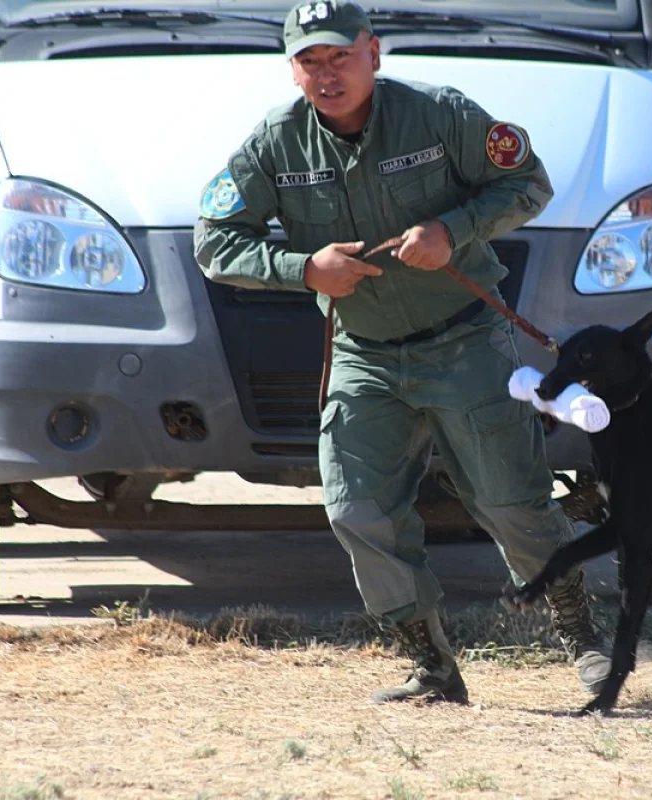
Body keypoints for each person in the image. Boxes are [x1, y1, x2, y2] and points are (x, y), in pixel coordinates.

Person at [193, 0, 610, 705]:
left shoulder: (439, 113)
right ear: (292, 69)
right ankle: (432, 666)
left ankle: (583, 634)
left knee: (511, 503)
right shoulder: (276, 143)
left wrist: (453, 229)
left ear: (373, 52)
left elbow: (526, 182)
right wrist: (302, 270)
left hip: (465, 342)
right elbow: (214, 241)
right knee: (358, 511)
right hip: (365, 354)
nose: (327, 75)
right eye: (309, 61)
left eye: (340, 56)